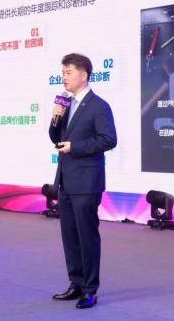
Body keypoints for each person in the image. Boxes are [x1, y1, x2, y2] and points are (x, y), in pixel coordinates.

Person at [49, 53, 117, 309]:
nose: (63, 77)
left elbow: (109, 139)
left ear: (83, 75)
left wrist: (75, 147)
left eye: (68, 72)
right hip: (66, 180)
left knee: (87, 236)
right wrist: (55, 119)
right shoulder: (65, 104)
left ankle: (90, 289)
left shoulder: (99, 106)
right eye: (62, 72)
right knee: (69, 236)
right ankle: (75, 283)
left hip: (87, 183)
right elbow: (56, 138)